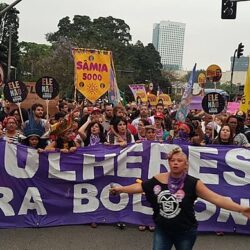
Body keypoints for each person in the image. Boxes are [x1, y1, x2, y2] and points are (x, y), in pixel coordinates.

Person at [110, 148, 250, 250]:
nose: (175, 163)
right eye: (172, 160)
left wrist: (241, 209)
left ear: (186, 164)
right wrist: (121, 189)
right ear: (169, 163)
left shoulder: (194, 183)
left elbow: (217, 199)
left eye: (179, 160)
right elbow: (140, 187)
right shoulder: (159, 179)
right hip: (162, 230)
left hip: (185, 232)